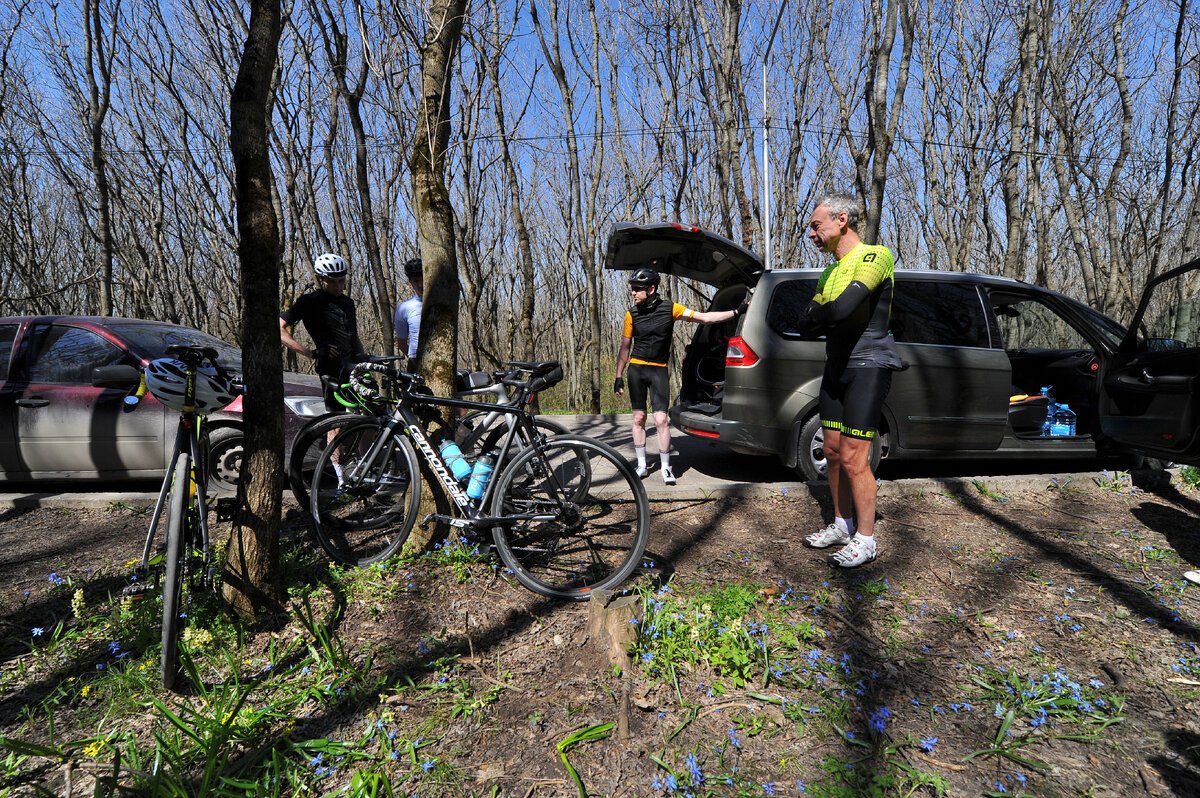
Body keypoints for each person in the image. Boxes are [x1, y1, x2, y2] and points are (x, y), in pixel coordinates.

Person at [800, 192, 902, 568]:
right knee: (831, 452)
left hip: (869, 365)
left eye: (815, 225)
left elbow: (842, 309)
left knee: (856, 457)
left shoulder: (876, 256)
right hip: (835, 367)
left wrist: (826, 313)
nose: (811, 234)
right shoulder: (829, 271)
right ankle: (842, 524)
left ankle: (866, 538)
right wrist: (828, 313)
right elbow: (805, 322)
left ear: (842, 219)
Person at [614, 267, 747, 484]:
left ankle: (666, 467)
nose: (633, 293)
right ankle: (641, 464)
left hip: (658, 369)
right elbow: (624, 347)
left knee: (661, 420)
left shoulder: (670, 309)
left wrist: (736, 312)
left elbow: (705, 318)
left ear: (652, 289)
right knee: (638, 418)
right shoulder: (631, 314)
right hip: (637, 369)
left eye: (638, 289)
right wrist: (618, 375)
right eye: (633, 289)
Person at [280, 252, 367, 413]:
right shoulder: (310, 302)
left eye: (341, 281)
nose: (338, 286)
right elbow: (279, 328)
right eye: (332, 282)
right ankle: (333, 439)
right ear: (321, 279)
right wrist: (310, 353)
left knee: (371, 415)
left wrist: (364, 363)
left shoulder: (348, 303)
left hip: (354, 365)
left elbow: (353, 337)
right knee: (336, 419)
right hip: (330, 367)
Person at [394, 257, 423, 366]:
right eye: (416, 281)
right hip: (415, 363)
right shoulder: (404, 309)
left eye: (423, 279)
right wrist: (415, 359)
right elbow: (401, 344)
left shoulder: (441, 302)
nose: (420, 285)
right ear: (410, 282)